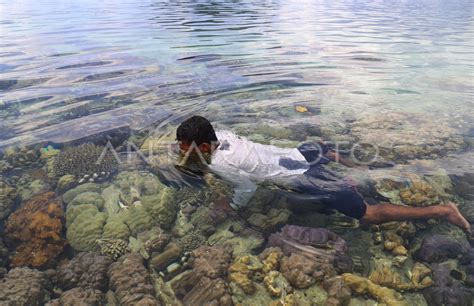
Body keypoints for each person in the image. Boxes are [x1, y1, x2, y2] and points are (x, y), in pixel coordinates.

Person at [175, 115, 471, 232]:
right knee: (321, 149)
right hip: (300, 152)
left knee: (367, 214)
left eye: (185, 148)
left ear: (203, 145)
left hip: (305, 176)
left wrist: (232, 205)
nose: (181, 152)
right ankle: (363, 170)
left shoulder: (220, 164)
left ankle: (443, 211)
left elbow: (248, 189)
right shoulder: (222, 134)